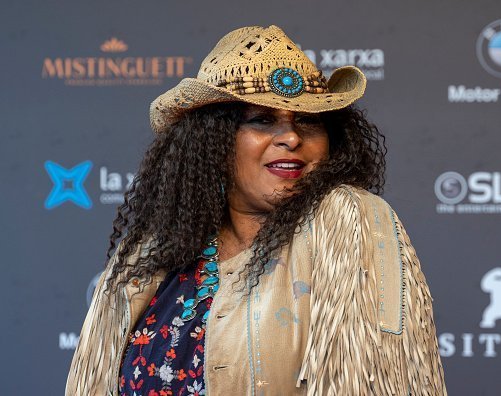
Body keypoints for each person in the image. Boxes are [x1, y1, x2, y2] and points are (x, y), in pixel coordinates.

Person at [65, 25, 447, 395]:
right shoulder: (149, 253)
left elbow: (375, 381)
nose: (292, 137)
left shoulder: (351, 220)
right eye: (263, 120)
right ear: (211, 141)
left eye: (309, 121)